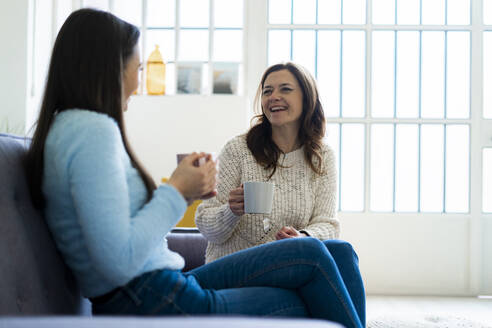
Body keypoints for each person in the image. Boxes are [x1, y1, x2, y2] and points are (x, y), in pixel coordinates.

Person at [24, 9, 363, 328]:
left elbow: (120, 239)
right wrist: (176, 191)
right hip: (152, 296)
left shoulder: (71, 128)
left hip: (159, 285)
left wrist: (182, 194)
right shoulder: (92, 132)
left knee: (339, 252)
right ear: (107, 67)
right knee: (306, 282)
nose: (138, 82)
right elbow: (118, 260)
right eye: (138, 68)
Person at [196, 62, 365, 324]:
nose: (273, 97)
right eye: (267, 91)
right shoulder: (238, 149)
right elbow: (207, 226)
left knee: (342, 250)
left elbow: (328, 224)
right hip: (238, 268)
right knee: (317, 288)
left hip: (292, 271)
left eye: (285, 89)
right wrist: (231, 211)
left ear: (307, 99)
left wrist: (303, 237)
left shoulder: (322, 156)